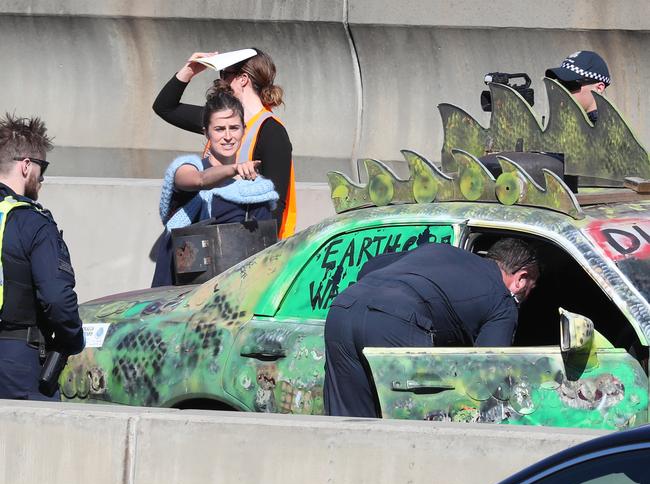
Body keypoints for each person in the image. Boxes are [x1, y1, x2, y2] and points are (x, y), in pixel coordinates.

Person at [323, 238, 540, 418]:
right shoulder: (502, 300)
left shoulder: (441, 251)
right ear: (521, 279)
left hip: (343, 308)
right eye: (531, 288)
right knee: (414, 427)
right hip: (396, 320)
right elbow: (487, 371)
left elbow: (369, 267)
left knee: (349, 423)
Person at [153, 48, 296, 239]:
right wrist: (189, 70)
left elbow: (275, 202)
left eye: (225, 74)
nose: (221, 81)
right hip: (210, 236)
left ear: (243, 78)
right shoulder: (219, 119)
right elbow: (165, 107)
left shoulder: (271, 132)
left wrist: (255, 253)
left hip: (247, 244)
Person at [152, 82, 279, 287]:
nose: (228, 136)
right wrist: (234, 169)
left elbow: (263, 254)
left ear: (243, 130)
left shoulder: (254, 190)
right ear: (206, 133)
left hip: (227, 296)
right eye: (219, 129)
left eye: (234, 128)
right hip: (174, 292)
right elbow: (199, 180)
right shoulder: (188, 168)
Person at [0, 113, 85, 400]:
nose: (43, 176)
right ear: (26, 166)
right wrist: (73, 340)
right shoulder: (33, 223)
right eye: (42, 166)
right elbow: (56, 298)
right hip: (17, 361)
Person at [545, 50, 611, 123]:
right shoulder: (567, 123)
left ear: (599, 88)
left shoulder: (608, 131)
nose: (561, 91)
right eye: (559, 84)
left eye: (569, 85)